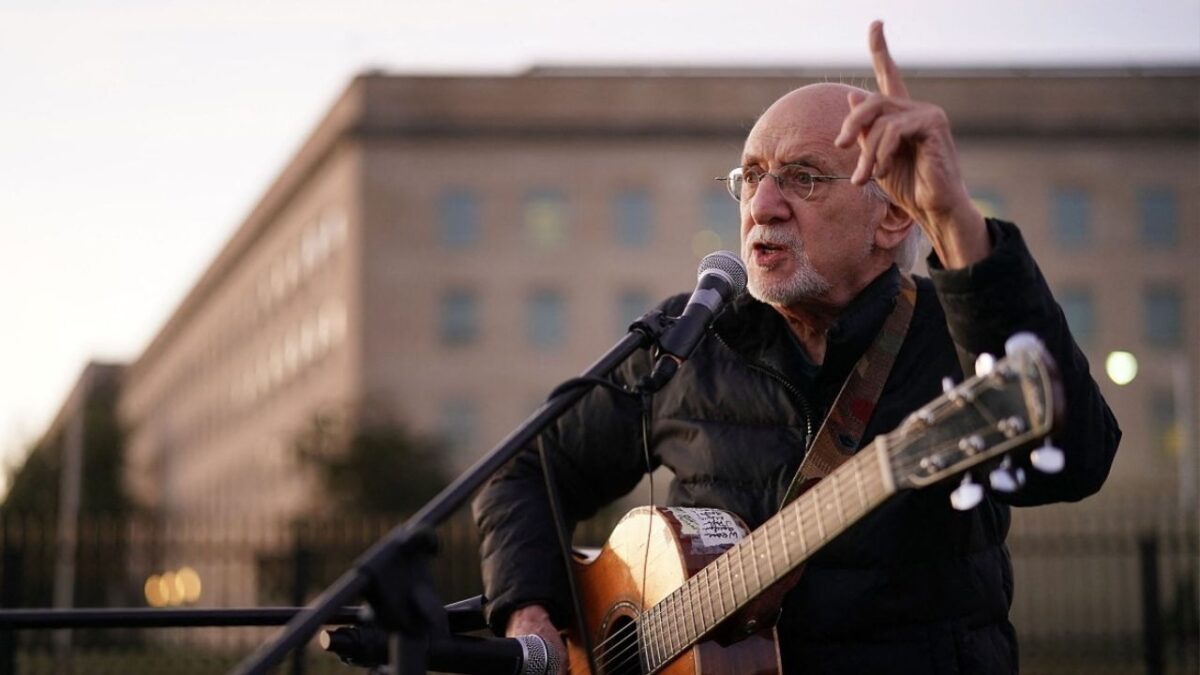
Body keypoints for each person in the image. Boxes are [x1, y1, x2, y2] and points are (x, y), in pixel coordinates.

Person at [473, 21, 1120, 674]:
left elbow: (1079, 458)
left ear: (892, 214)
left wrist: (954, 218)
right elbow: (524, 468)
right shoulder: (688, 337)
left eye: (803, 178)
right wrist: (529, 610)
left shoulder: (960, 333)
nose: (764, 204)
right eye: (750, 177)